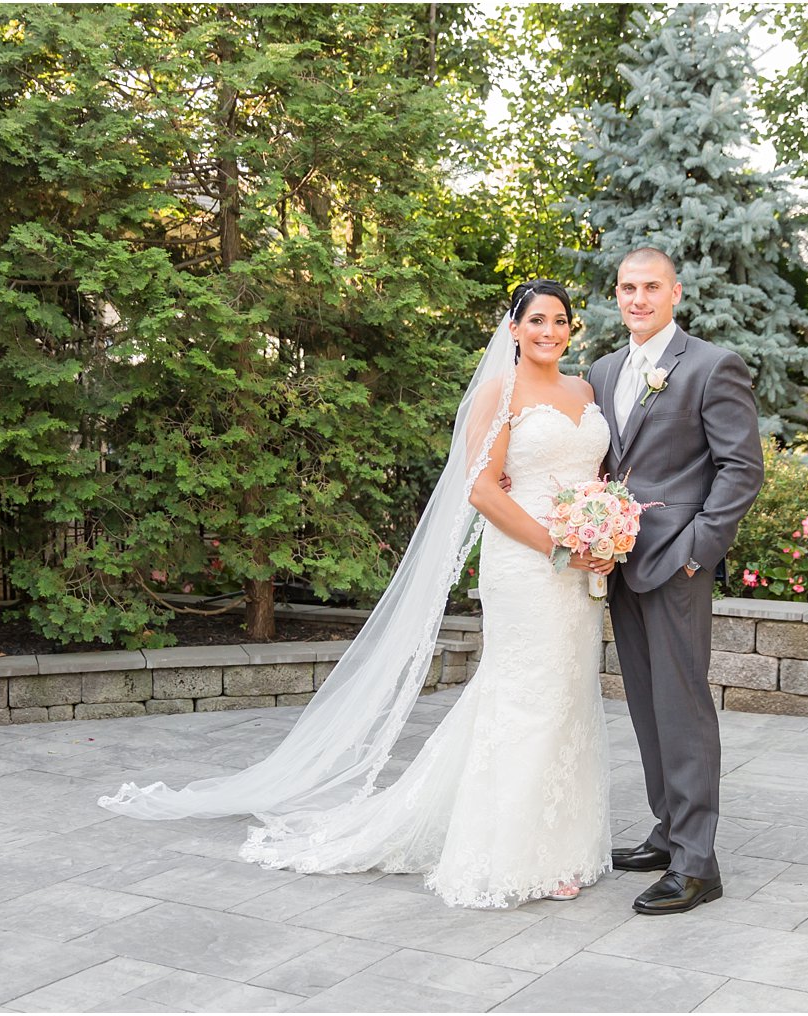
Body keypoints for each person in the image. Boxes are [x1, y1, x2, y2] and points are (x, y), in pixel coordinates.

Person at [100, 280, 617, 908]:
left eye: (560, 321)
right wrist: (557, 545)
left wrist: (603, 523)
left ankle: (560, 844)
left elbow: (591, 474)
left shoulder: (583, 390)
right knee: (524, 700)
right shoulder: (495, 393)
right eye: (536, 320)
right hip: (530, 563)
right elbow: (481, 490)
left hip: (582, 570)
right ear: (512, 329)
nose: (550, 331)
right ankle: (513, 852)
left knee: (566, 697)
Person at [585, 247, 764, 915]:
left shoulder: (712, 366)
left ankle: (697, 863)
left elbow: (741, 469)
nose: (638, 298)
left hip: (678, 564)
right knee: (645, 704)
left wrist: (698, 551)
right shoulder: (603, 370)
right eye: (628, 287)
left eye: (650, 287)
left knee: (684, 709)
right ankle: (666, 833)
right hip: (622, 561)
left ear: (675, 293)